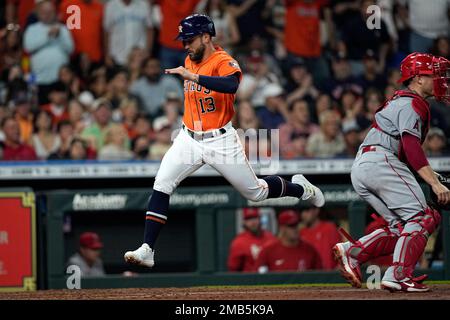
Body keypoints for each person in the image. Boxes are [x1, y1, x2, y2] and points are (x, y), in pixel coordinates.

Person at [124, 14, 325, 269]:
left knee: (256, 192)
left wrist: (194, 77)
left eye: (190, 39)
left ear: (206, 37)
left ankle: (300, 188)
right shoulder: (190, 59)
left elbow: (231, 85)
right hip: (188, 138)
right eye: (184, 40)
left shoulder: (222, 60)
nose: (186, 45)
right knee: (162, 184)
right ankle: (147, 249)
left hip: (220, 140)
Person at [333, 52, 450, 292]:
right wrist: (436, 185)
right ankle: (398, 275)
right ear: (417, 78)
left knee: (401, 227)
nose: (439, 79)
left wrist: (433, 178)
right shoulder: (411, 103)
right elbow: (410, 146)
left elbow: (406, 155)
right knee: (423, 218)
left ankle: (353, 253)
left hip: (366, 165)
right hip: (380, 161)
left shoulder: (402, 101)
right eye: (433, 74)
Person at [23, 0, 74, 105]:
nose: (47, 15)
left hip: (60, 80)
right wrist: (47, 36)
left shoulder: (63, 29)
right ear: (38, 13)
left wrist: (59, 36)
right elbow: (28, 47)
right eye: (44, 12)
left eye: (50, 12)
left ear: (54, 12)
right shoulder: (32, 29)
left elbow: (70, 49)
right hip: (40, 80)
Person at [254, 210, 322, 272]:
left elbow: (320, 276)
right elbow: (258, 278)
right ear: (282, 228)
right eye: (291, 226)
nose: (295, 229)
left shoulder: (310, 250)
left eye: (296, 225)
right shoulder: (268, 251)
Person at [103, 0, 154, 67]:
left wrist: (148, 51)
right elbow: (106, 31)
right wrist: (107, 55)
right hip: (117, 56)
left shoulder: (143, 4)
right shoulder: (111, 6)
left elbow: (150, 29)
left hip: (139, 56)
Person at [227, 208, 276, 272]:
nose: (253, 222)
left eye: (255, 218)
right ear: (244, 222)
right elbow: (233, 269)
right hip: (249, 280)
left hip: (271, 279)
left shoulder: (271, 238)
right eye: (248, 219)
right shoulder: (239, 242)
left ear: (260, 219)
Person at [299, 206, 341, 270]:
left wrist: (334, 274)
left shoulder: (329, 228)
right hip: (308, 277)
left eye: (307, 210)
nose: (303, 214)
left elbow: (342, 254)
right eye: (301, 211)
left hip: (328, 276)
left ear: (316, 210)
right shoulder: (301, 232)